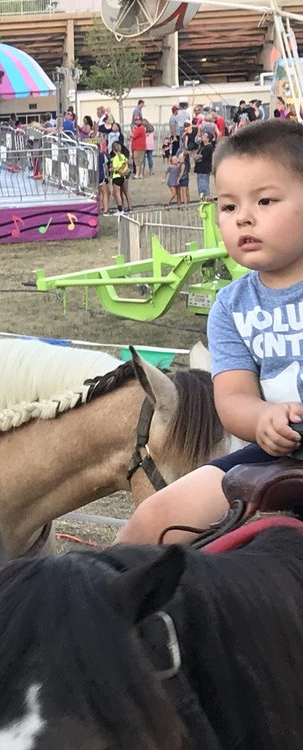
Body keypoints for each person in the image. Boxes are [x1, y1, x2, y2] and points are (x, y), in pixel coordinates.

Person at [117, 119, 303, 545]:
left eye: (266, 201)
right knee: (154, 520)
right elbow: (233, 398)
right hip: (277, 457)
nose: (244, 219)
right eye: (229, 206)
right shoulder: (231, 307)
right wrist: (262, 420)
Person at [108, 140, 132, 213]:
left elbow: (115, 169)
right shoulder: (123, 156)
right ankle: (128, 207)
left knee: (118, 193)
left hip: (118, 176)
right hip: (124, 176)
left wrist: (112, 169)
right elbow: (127, 164)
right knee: (124, 192)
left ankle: (120, 209)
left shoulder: (115, 158)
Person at [193, 130, 215, 199]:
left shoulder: (209, 147)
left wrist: (197, 157)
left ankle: (206, 204)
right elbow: (196, 156)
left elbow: (200, 157)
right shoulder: (202, 146)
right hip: (199, 170)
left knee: (204, 188)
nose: (202, 137)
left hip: (204, 171)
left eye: (204, 136)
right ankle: (202, 203)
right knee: (200, 189)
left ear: (208, 139)